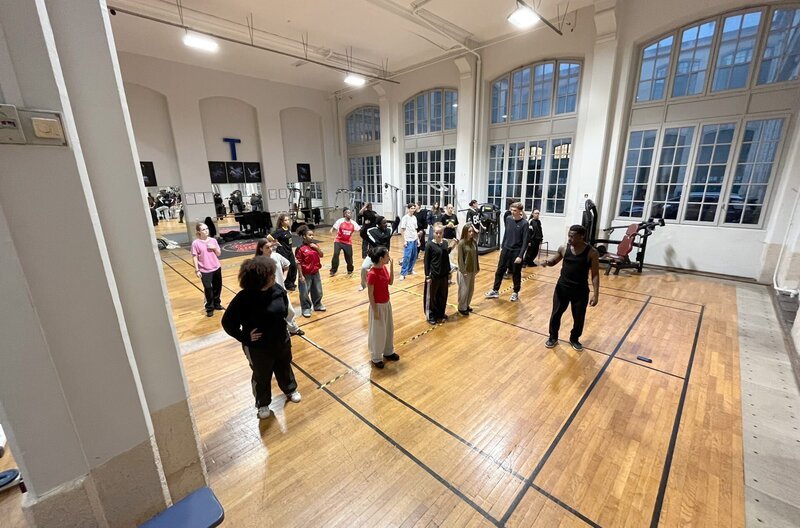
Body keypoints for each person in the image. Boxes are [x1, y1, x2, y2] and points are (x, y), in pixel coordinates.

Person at [221, 257, 301, 421]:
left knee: (284, 366)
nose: (274, 277)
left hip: (281, 340)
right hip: (258, 347)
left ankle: (290, 389)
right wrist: (245, 337)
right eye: (270, 275)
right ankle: (262, 403)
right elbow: (227, 322)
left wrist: (286, 329)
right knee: (261, 375)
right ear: (260, 279)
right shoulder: (244, 298)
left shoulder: (278, 290)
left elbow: (285, 310)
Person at [542, 224, 600, 351]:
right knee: (556, 314)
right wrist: (547, 262)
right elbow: (554, 261)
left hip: (580, 290)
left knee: (579, 317)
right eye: (569, 235)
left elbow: (595, 274)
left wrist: (596, 294)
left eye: (572, 237)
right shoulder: (564, 248)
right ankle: (553, 337)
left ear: (581, 236)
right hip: (562, 288)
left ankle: (574, 339)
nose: (569, 239)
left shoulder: (592, 252)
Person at [255, 238, 304, 336]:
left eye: (270, 247)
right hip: (267, 293)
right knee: (274, 313)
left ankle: (293, 329)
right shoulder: (258, 262)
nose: (270, 249)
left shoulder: (276, 256)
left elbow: (287, 264)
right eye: (267, 247)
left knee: (290, 310)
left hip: (281, 290)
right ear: (261, 249)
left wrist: (284, 276)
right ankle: (279, 332)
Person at [485, 202, 529, 302]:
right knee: (499, 271)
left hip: (516, 252)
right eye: (511, 210)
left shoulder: (525, 224)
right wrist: (502, 246)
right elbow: (506, 234)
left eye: (515, 211)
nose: (512, 212)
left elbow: (525, 242)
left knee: (516, 273)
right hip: (506, 250)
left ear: (520, 211)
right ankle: (495, 290)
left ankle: (515, 292)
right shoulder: (508, 219)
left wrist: (520, 256)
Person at [366, 247, 400, 369]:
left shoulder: (384, 268)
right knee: (378, 332)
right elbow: (370, 294)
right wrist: (375, 311)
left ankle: (388, 351)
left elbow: (390, 282)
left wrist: (391, 267)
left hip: (387, 304)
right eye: (387, 256)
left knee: (389, 329)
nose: (389, 257)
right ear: (381, 258)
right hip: (378, 306)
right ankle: (376, 357)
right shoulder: (372, 274)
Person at [191, 222, 223, 317]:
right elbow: (194, 257)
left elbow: (218, 254)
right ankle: (209, 307)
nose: (206, 231)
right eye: (203, 229)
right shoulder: (195, 243)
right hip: (204, 270)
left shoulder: (213, 240)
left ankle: (217, 304)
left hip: (216, 267)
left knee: (218, 287)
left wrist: (214, 248)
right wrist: (197, 270)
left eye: (207, 228)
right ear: (199, 232)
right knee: (208, 288)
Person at [424, 223, 452, 325]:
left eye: (440, 233)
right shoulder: (429, 245)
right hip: (433, 276)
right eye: (437, 233)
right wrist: (427, 275)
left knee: (442, 295)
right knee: (432, 297)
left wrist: (449, 272)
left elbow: (446, 258)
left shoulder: (444, 243)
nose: (439, 235)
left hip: (443, 275)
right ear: (433, 233)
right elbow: (426, 261)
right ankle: (431, 315)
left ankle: (440, 313)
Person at [295, 225, 325, 317]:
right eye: (310, 235)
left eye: (313, 235)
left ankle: (317, 305)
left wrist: (316, 248)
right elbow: (298, 262)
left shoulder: (315, 245)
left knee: (318, 290)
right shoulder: (300, 248)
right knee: (304, 292)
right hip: (305, 273)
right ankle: (306, 308)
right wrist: (301, 276)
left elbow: (321, 255)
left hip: (315, 272)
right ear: (304, 236)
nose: (312, 237)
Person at [360, 215, 392, 291]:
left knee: (381, 270)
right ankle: (363, 284)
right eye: (384, 223)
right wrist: (365, 225)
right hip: (373, 254)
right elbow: (363, 234)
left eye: (386, 222)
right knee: (364, 267)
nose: (386, 224)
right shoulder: (372, 231)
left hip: (382, 256)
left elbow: (393, 227)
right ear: (379, 224)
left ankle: (381, 284)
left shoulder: (388, 230)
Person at [456, 224, 479, 316]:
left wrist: (477, 267)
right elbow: (460, 258)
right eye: (469, 231)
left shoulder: (474, 242)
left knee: (471, 289)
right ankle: (462, 307)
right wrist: (463, 270)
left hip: (472, 269)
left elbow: (476, 257)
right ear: (465, 232)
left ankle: (467, 305)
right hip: (465, 270)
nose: (471, 233)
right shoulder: (461, 243)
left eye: (472, 231)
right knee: (464, 290)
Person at [329, 208, 360, 276]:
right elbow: (334, 227)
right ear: (345, 214)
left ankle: (350, 270)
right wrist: (331, 229)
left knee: (349, 257)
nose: (350, 214)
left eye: (350, 213)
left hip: (347, 242)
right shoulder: (340, 221)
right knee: (336, 254)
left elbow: (360, 229)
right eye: (348, 213)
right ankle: (333, 270)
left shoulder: (353, 223)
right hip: (338, 241)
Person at [273, 213, 297, 291]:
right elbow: (269, 237)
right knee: (287, 267)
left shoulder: (288, 229)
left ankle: (292, 282)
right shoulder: (280, 230)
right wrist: (276, 243)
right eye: (285, 220)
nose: (287, 221)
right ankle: (288, 284)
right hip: (283, 251)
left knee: (293, 266)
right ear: (281, 222)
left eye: (288, 220)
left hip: (289, 250)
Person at [399, 203, 420, 280]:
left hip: (414, 239)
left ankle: (410, 270)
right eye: (411, 208)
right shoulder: (405, 218)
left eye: (414, 208)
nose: (413, 210)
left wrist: (417, 240)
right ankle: (403, 273)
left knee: (414, 256)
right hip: (408, 240)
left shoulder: (414, 217)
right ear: (408, 209)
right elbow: (402, 230)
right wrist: (404, 240)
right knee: (407, 257)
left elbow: (415, 229)